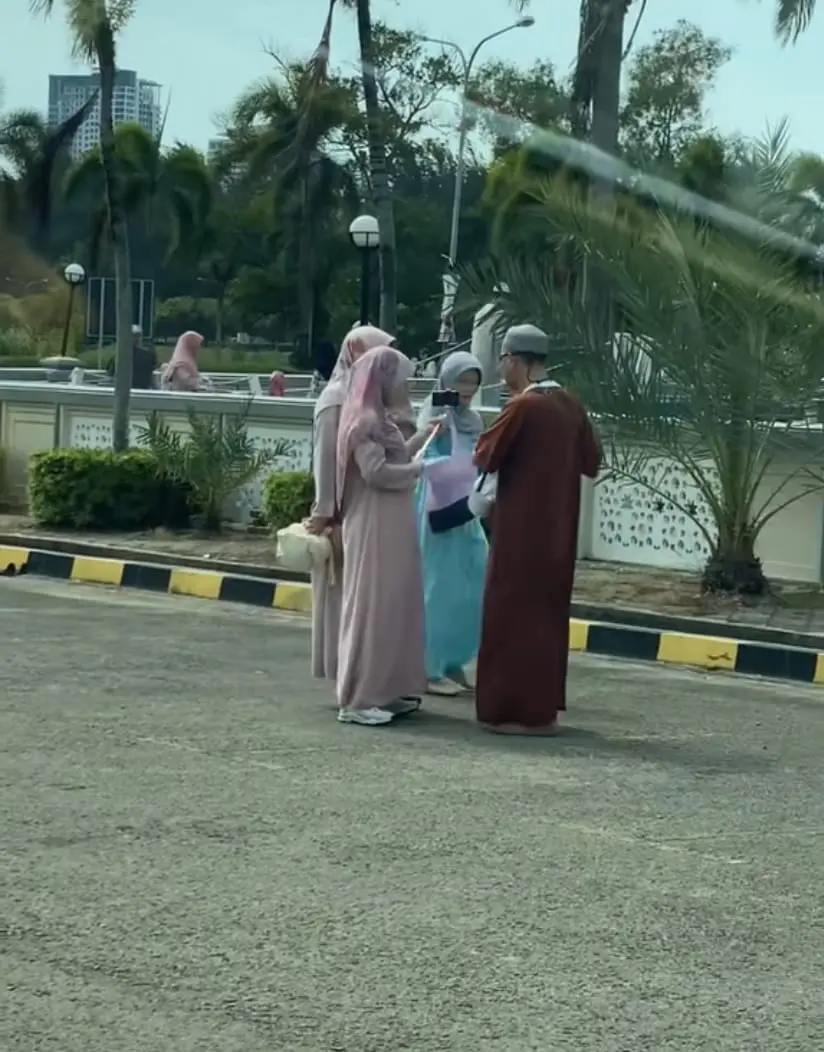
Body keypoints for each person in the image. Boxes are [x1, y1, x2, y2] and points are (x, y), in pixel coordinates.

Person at [473, 324, 600, 736]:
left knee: (509, 619)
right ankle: (543, 712)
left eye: (503, 360)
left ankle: (510, 712)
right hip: (559, 534)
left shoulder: (524, 407)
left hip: (519, 533)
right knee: (547, 621)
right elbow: (592, 462)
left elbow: (485, 455)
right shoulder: (570, 404)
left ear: (515, 360)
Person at [335, 345, 435, 726]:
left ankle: (385, 689)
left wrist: (423, 437)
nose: (404, 386)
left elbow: (396, 459)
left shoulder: (382, 420)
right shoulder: (364, 422)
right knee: (372, 606)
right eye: (399, 379)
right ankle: (359, 698)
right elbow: (375, 472)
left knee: (393, 603)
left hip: (392, 520)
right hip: (373, 522)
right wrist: (419, 470)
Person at [305, 325, 394, 683]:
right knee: (341, 598)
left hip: (365, 513)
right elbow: (325, 459)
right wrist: (325, 511)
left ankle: (366, 676)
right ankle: (346, 676)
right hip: (342, 514)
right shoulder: (335, 400)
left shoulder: (369, 398)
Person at [415, 350, 488, 696]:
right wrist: (437, 430)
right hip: (437, 507)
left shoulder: (474, 419)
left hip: (465, 508)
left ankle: (453, 658)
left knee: (472, 583)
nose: (467, 390)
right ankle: (428, 668)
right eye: (462, 382)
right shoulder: (433, 413)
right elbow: (425, 458)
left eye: (473, 383)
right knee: (438, 588)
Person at [131, 325, 157, 389]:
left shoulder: (148, 355)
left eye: (138, 336)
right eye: (134, 336)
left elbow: (151, 375)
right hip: (128, 389)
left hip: (144, 389)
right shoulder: (122, 356)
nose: (136, 338)